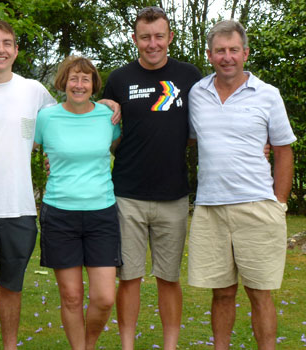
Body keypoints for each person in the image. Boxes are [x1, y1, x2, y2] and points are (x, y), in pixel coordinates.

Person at [0, 20, 120, 350]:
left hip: (21, 208)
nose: (1, 49)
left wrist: (111, 104)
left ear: (15, 50)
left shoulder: (34, 92)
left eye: (7, 43)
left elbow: (66, 124)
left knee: (13, 287)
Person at [187, 20, 295, 349]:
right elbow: (193, 140)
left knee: (260, 294)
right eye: (220, 50)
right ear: (209, 55)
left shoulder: (268, 95)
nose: (227, 57)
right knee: (221, 293)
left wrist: (279, 204)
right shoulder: (197, 93)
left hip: (258, 208)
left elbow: (283, 150)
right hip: (210, 209)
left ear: (245, 53)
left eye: (234, 50)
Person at [102, 7, 201, 350]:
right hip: (127, 195)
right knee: (128, 279)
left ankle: (170, 346)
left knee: (168, 279)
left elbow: (204, 126)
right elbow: (104, 131)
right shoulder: (118, 79)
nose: (153, 43)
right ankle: (128, 345)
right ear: (135, 39)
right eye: (145, 37)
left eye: (159, 36)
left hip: (173, 195)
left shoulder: (190, 76)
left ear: (170, 37)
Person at [34, 56, 121, 350]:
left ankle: (89, 344)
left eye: (85, 79)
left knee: (104, 297)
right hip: (60, 214)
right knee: (71, 296)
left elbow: (124, 148)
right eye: (73, 78)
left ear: (94, 84)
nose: (79, 84)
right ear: (63, 82)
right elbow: (20, 147)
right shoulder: (46, 118)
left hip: (101, 214)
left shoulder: (108, 118)